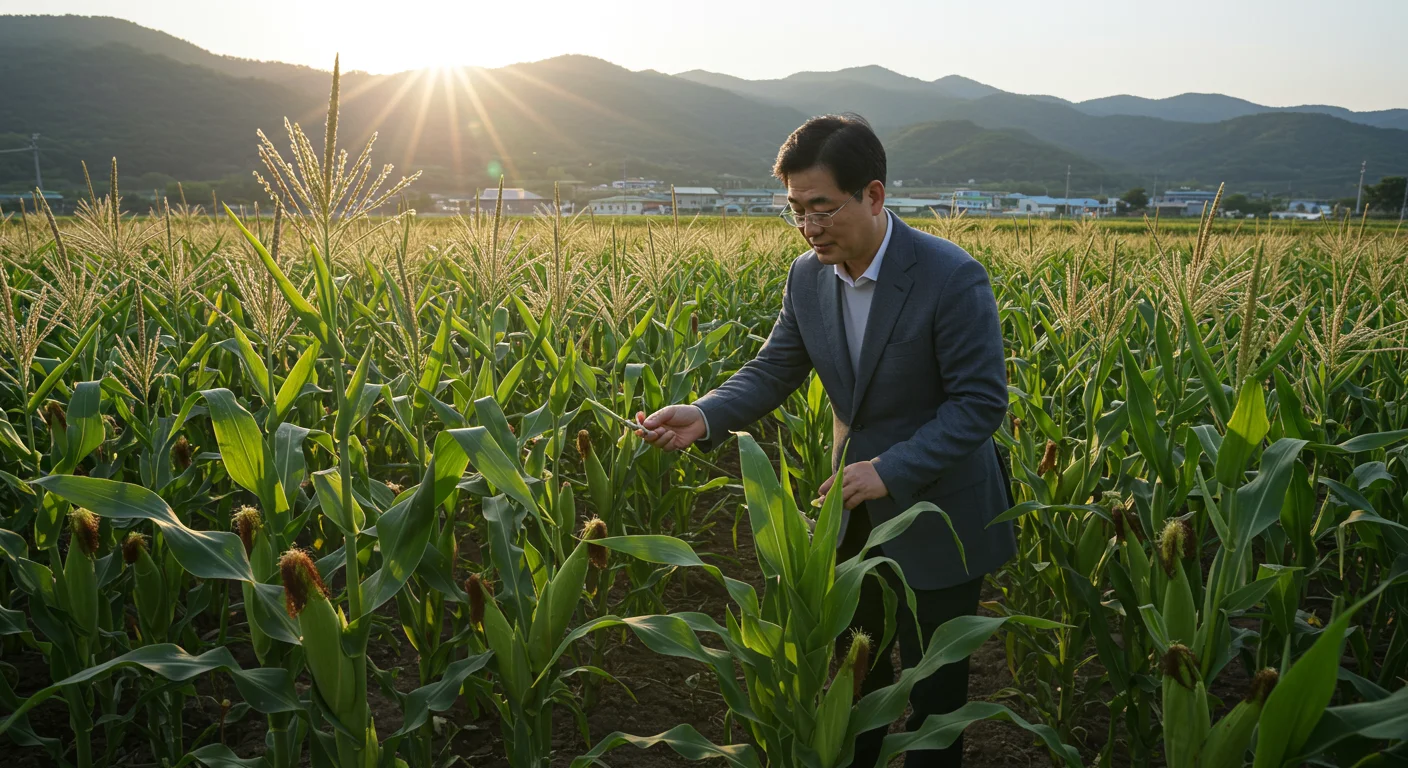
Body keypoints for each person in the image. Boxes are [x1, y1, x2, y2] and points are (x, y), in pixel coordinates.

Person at [634, 113, 1016, 768]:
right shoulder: (808, 277)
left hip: (941, 516)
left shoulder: (950, 276)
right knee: (854, 681)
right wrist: (705, 414)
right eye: (795, 210)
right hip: (852, 517)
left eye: (821, 207)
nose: (809, 226)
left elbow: (979, 403)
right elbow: (776, 366)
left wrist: (889, 470)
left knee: (934, 698)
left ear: (873, 195)